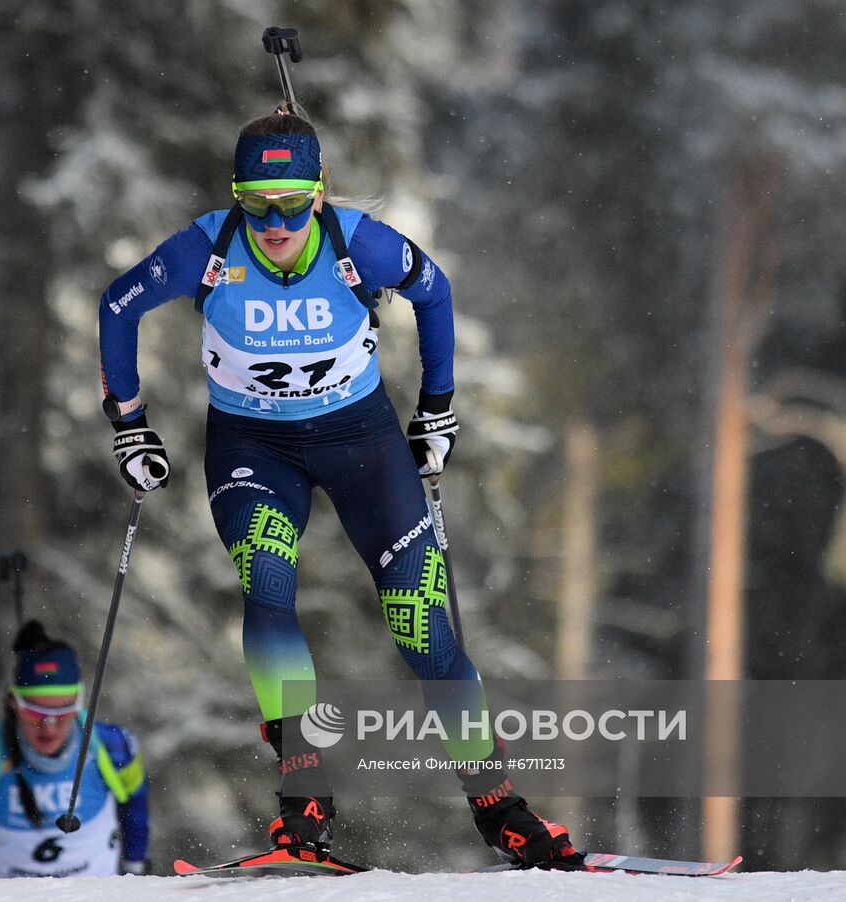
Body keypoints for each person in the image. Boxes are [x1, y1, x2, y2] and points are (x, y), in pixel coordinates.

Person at [96, 110, 582, 868]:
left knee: (421, 627)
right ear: (238, 199)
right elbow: (118, 304)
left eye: (292, 203)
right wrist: (130, 424)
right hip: (253, 445)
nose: (276, 222)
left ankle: (501, 809)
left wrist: (437, 409)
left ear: (319, 196)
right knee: (267, 585)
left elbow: (436, 292)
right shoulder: (208, 247)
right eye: (258, 204)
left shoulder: (361, 244)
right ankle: (304, 797)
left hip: (363, 446)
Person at [0, 621, 149, 877]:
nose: (48, 728)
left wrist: (135, 865)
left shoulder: (114, 747)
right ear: (13, 704)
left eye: (61, 713)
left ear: (78, 705)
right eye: (34, 713)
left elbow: (135, 803)